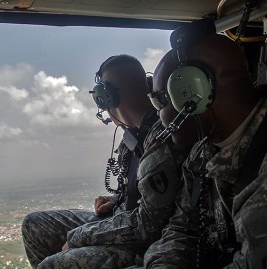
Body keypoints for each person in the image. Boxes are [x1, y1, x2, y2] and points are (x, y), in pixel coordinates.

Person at [21, 55, 191, 268]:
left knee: (53, 264)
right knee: (35, 225)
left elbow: (147, 224)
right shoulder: (135, 134)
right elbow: (147, 191)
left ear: (106, 97)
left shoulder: (160, 139)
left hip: (142, 242)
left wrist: (78, 237)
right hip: (123, 216)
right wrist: (117, 198)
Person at [143, 18, 267, 268]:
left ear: (192, 94)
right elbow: (181, 229)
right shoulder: (202, 153)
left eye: (159, 101)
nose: (158, 115)